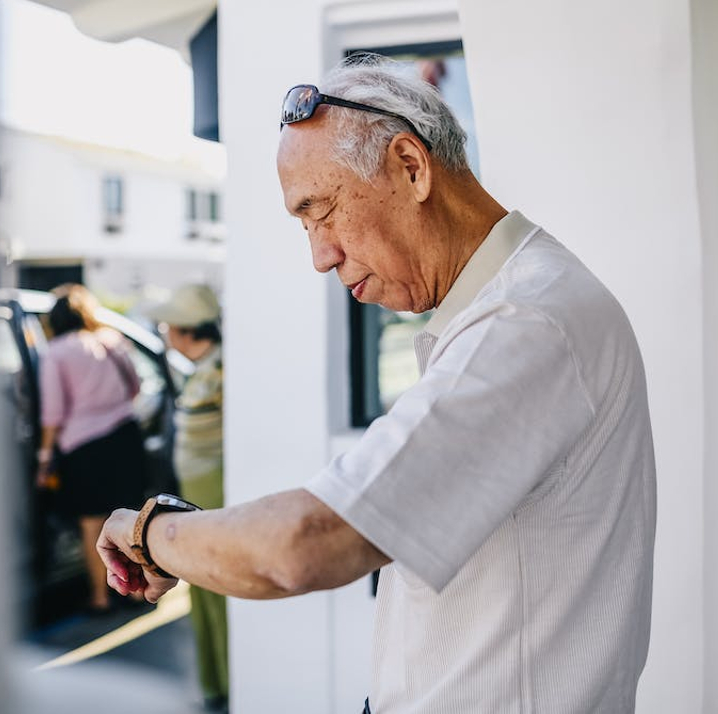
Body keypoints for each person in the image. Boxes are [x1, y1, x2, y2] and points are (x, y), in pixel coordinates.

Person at [97, 57, 657, 712]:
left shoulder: (525, 324)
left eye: (322, 211)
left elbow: (306, 544)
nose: (320, 255)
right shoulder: (516, 307)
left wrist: (149, 531)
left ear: (411, 167)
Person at [37, 283, 146, 614]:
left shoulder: (56, 352)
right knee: (132, 518)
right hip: (125, 437)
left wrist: (44, 458)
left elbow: (53, 413)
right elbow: (136, 387)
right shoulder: (112, 340)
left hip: (85, 447)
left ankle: (100, 597)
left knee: (92, 524)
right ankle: (139, 592)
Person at [146, 284, 228, 712]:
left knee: (217, 586)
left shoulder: (222, 371)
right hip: (198, 497)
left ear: (184, 329)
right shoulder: (202, 371)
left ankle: (229, 684)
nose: (163, 332)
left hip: (215, 499)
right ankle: (215, 684)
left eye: (167, 325)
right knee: (201, 588)